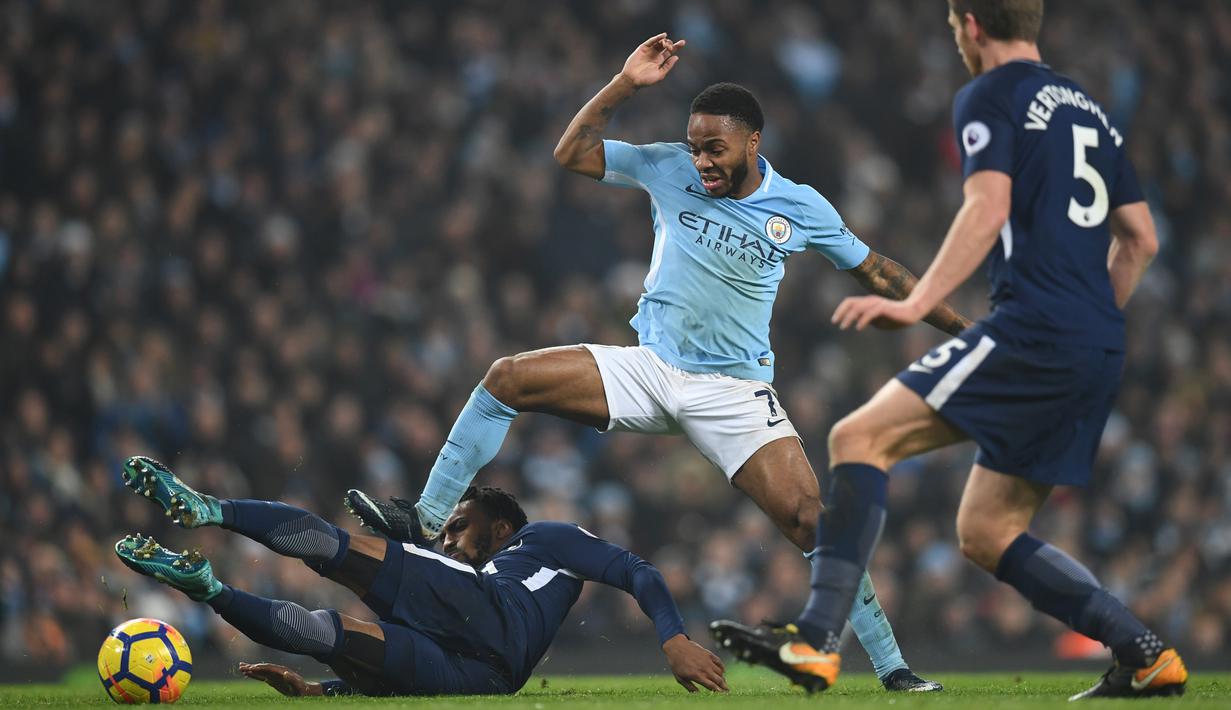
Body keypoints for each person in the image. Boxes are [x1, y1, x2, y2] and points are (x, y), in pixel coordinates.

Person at [346, 32, 977, 692]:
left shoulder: (800, 207)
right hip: (649, 370)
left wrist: (958, 327)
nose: (700, 159)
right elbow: (571, 154)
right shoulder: (665, 165)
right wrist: (623, 84)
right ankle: (424, 516)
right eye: (695, 144)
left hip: (733, 391)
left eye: (715, 148)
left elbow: (877, 270)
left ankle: (893, 668)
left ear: (752, 143)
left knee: (812, 524)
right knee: (506, 377)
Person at [710, 0, 1188, 700]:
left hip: (1034, 325)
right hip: (1094, 341)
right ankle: (1145, 654)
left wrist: (911, 303)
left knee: (856, 436)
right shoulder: (1087, 108)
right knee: (986, 530)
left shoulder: (989, 93)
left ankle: (814, 642)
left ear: (969, 24)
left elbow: (985, 207)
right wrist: (1088, 324)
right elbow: (1140, 238)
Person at [113, 456, 726, 696]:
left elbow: (635, 570)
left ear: (502, 529)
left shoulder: (544, 538)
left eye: (461, 526)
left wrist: (672, 636)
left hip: (492, 618)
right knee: (324, 636)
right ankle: (208, 588)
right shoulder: (464, 575)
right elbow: (392, 687)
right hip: (485, 676)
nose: (448, 538)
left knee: (338, 551)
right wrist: (317, 693)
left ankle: (210, 510)